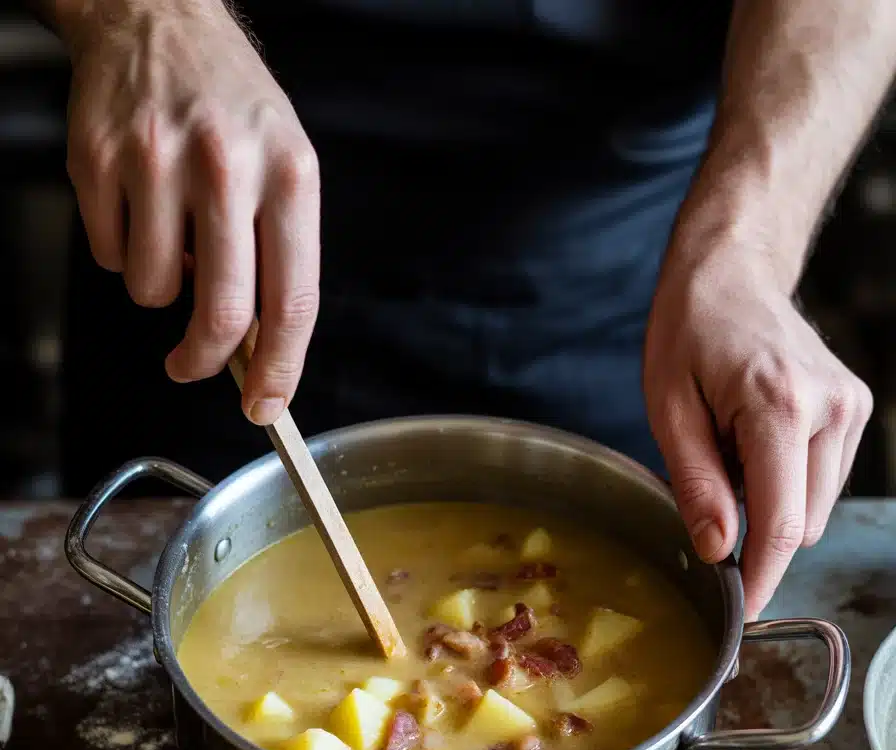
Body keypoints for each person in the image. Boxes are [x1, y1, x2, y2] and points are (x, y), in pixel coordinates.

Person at [37, 0, 891, 619]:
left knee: (660, 545)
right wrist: (140, 16)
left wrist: (748, 244)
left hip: (628, 296)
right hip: (203, 237)